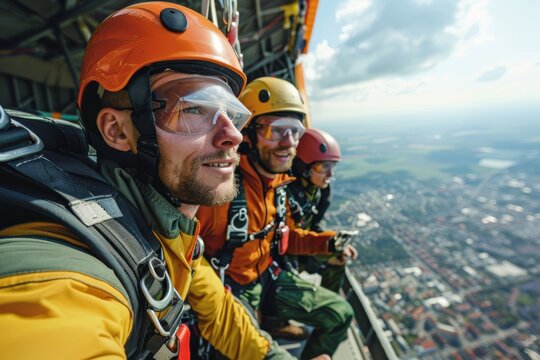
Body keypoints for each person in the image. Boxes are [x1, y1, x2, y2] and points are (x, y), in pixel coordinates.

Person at [0, 3, 294, 359]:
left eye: (231, 112)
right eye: (192, 109)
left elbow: (220, 312)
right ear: (117, 130)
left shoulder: (162, 232)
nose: (232, 134)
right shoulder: (73, 278)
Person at [197, 76, 355, 360]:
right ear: (247, 135)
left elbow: (286, 238)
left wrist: (327, 244)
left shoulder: (278, 187)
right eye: (275, 131)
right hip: (232, 290)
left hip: (268, 277)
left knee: (340, 313)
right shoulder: (219, 193)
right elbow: (187, 259)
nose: (289, 142)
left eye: (295, 131)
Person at [288, 128, 358, 293]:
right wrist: (327, 245)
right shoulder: (286, 195)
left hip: (302, 249)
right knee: (335, 256)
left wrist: (336, 245)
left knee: (340, 257)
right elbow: (287, 243)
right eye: (323, 167)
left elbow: (313, 224)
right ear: (303, 167)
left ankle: (328, 298)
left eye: (332, 167)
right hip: (286, 257)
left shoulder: (316, 192)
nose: (330, 174)